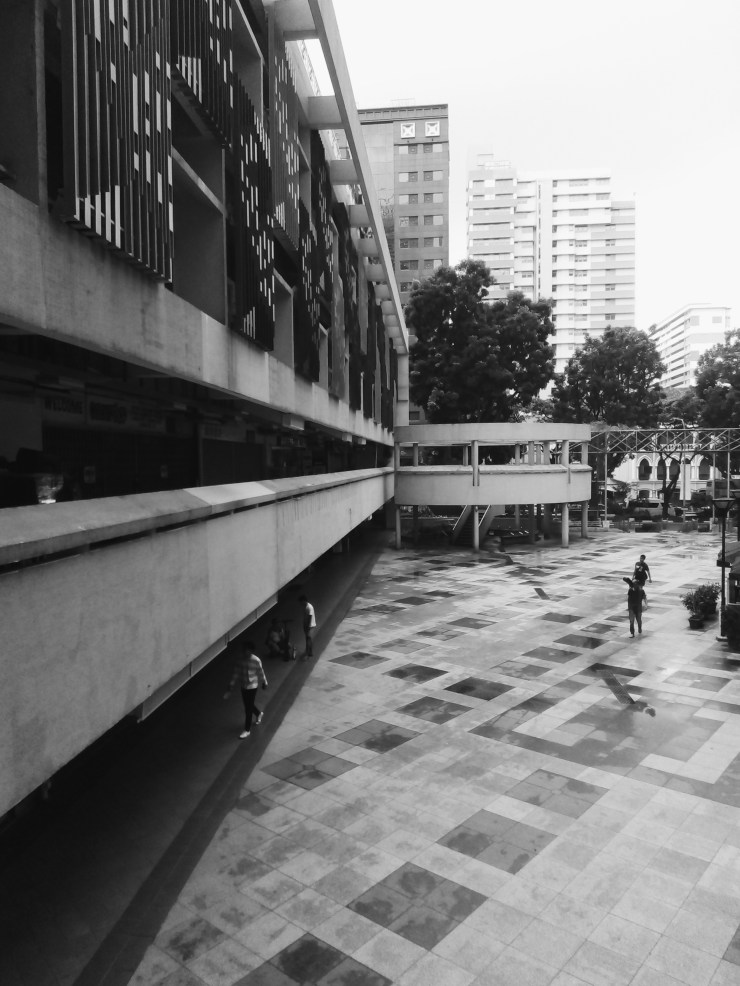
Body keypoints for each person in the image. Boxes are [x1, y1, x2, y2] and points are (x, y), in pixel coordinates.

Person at [223, 639, 268, 738]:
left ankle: (247, 730)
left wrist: (264, 682)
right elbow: (236, 672)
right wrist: (231, 683)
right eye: (244, 649)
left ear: (251, 650)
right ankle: (259, 713)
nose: (244, 651)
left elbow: (261, 672)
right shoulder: (240, 660)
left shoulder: (256, 660)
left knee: (248, 708)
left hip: (253, 686)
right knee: (248, 705)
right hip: (243, 686)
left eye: (246, 650)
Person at [299, 594, 316, 660]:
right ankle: (310, 652)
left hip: (310, 626)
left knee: (308, 639)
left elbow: (309, 617)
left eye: (301, 602)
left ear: (303, 601)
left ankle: (307, 654)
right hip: (307, 626)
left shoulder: (309, 607)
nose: (300, 604)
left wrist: (307, 627)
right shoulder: (306, 606)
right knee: (308, 639)